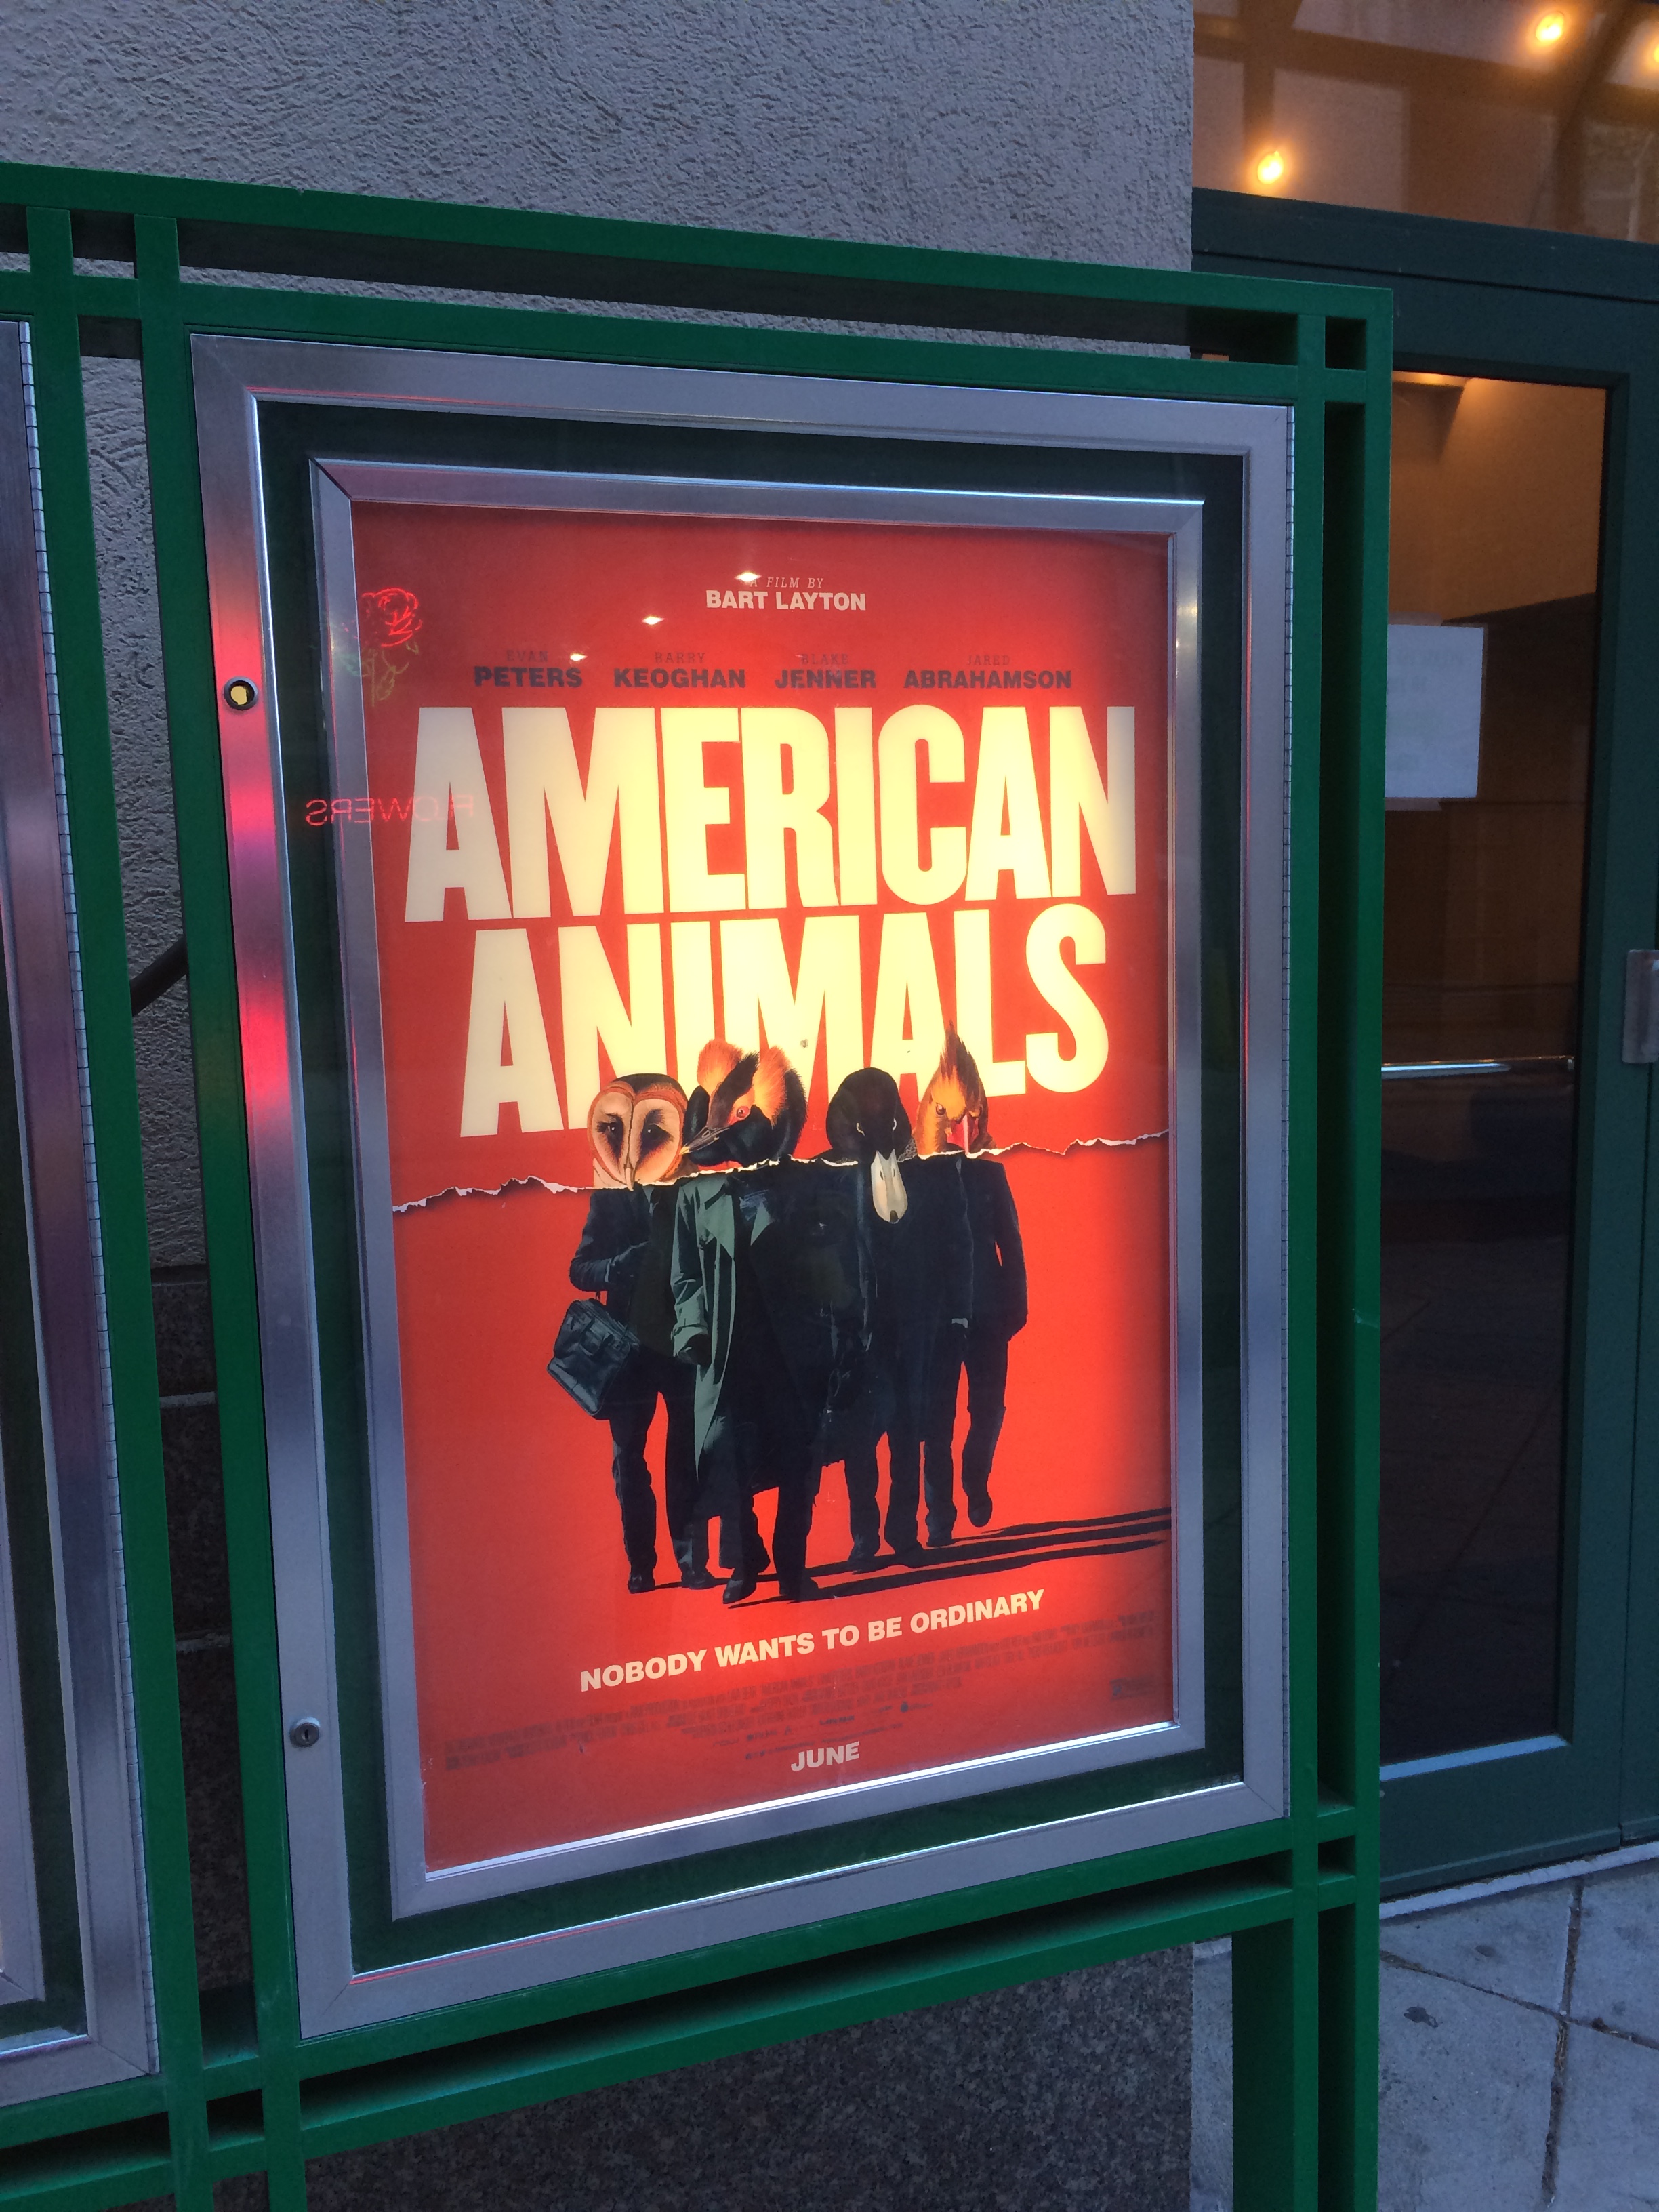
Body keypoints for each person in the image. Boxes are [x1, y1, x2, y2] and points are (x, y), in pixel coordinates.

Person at [672, 1042, 859, 1605]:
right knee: (729, 1459)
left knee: (800, 1462)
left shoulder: (805, 1184)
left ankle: (793, 1569)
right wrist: (693, 1332)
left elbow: (835, 1267)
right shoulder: (694, 1194)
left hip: (793, 1352)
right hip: (728, 1355)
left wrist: (841, 1335)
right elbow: (685, 1277)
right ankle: (746, 1561)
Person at [821, 1065, 971, 1563]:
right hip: (855, 1331)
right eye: (862, 1109)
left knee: (909, 1433)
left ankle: (903, 1534)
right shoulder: (827, 1174)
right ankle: (864, 1536)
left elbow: (957, 1245)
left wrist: (957, 1317)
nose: (874, 1118)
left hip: (916, 1328)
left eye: (882, 1105)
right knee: (860, 1440)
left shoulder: (930, 1168)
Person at [569, 1075, 713, 1592]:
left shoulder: (694, 1190)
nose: (634, 1148)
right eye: (619, 1131)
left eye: (653, 1134)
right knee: (628, 1458)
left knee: (686, 1453)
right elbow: (580, 1268)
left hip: (680, 1341)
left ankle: (692, 1561)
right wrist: (618, 1267)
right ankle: (641, 1564)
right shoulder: (609, 1199)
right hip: (627, 1348)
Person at [916, 1031, 1027, 1532]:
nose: (962, 1127)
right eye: (951, 1116)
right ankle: (939, 1513)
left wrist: (1016, 1305)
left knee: (988, 1410)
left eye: (971, 1117)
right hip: (937, 1319)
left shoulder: (990, 1177)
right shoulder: (914, 1178)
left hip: (987, 1315)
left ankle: (975, 1477)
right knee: (936, 1420)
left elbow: (1012, 1245)